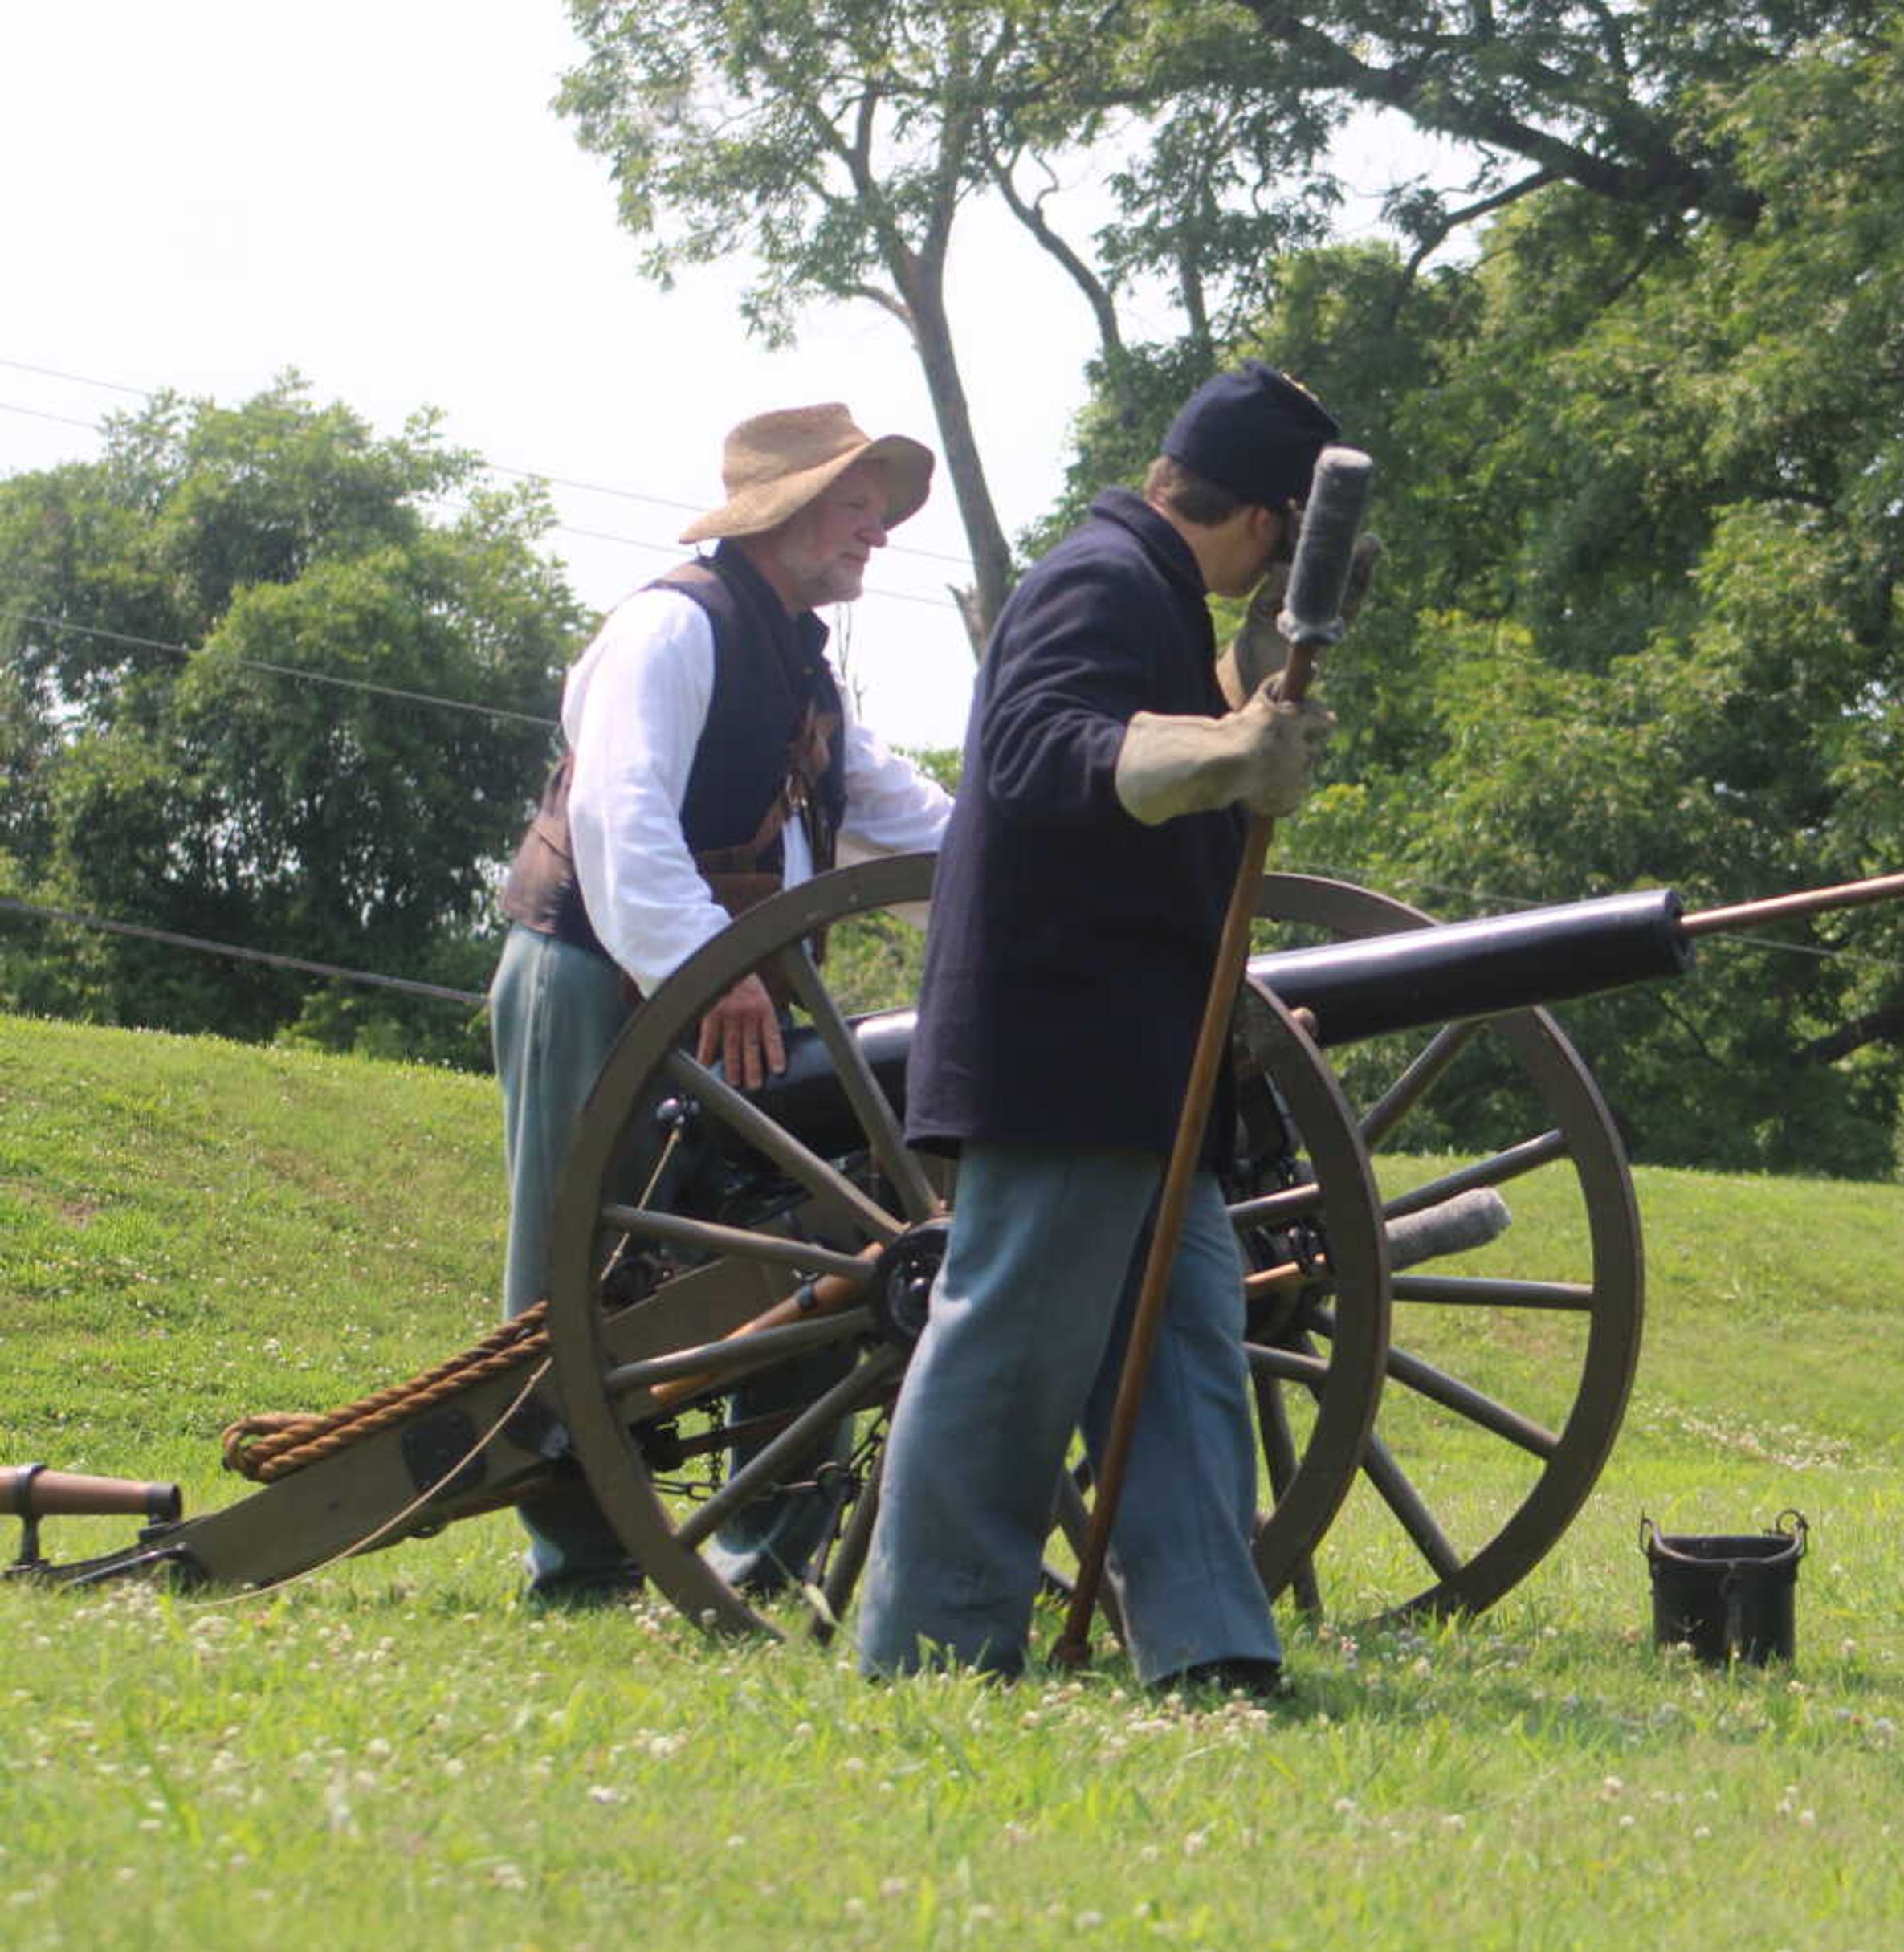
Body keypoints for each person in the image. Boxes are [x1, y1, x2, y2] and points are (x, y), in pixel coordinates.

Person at [855, 362, 1345, 1695]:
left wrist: (1248, 711)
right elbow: (1037, 752)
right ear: (1264, 523)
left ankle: (1207, 1645)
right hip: (1064, 1043)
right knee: (1011, 1349)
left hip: (1145, 1057)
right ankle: (930, 1652)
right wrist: (1226, 757)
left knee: (1184, 1348)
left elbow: (1182, 718)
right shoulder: (1099, 578)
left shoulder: (1158, 596)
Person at [491, 403, 958, 1603]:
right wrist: (712, 967)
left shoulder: (800, 658)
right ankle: (580, 1559)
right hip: (605, 970)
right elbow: (620, 821)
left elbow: (897, 820)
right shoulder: (671, 628)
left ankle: (762, 1554)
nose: (879, 536)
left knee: (809, 1245)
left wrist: (1036, 885)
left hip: (725, 992)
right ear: (786, 512)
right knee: (573, 1255)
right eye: (859, 508)